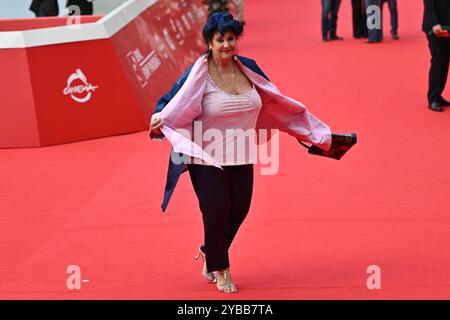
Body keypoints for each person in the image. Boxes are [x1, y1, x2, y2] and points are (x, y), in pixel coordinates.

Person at [149, 13, 334, 293]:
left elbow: (275, 101)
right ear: (209, 43)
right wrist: (158, 119)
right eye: (220, 39)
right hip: (204, 154)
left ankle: (209, 250)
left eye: (231, 38)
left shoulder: (249, 68)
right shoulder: (197, 73)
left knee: (239, 208)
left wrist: (315, 136)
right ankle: (221, 269)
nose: (226, 44)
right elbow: (169, 101)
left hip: (241, 151)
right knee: (216, 208)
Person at [422, 0, 450, 112]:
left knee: (444, 61)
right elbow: (429, 4)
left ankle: (438, 95)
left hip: (447, 25)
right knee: (438, 61)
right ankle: (433, 98)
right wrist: (434, 23)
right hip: (434, 27)